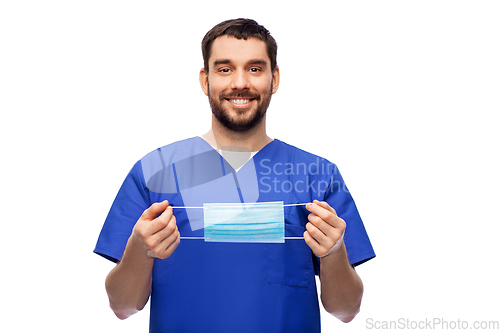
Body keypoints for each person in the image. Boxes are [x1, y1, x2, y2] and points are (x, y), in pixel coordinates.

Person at [94, 18, 375, 332]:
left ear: (274, 78)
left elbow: (346, 310)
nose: (240, 83)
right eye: (225, 69)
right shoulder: (154, 171)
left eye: (255, 68)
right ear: (205, 80)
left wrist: (334, 253)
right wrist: (139, 248)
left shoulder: (317, 176)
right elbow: (121, 306)